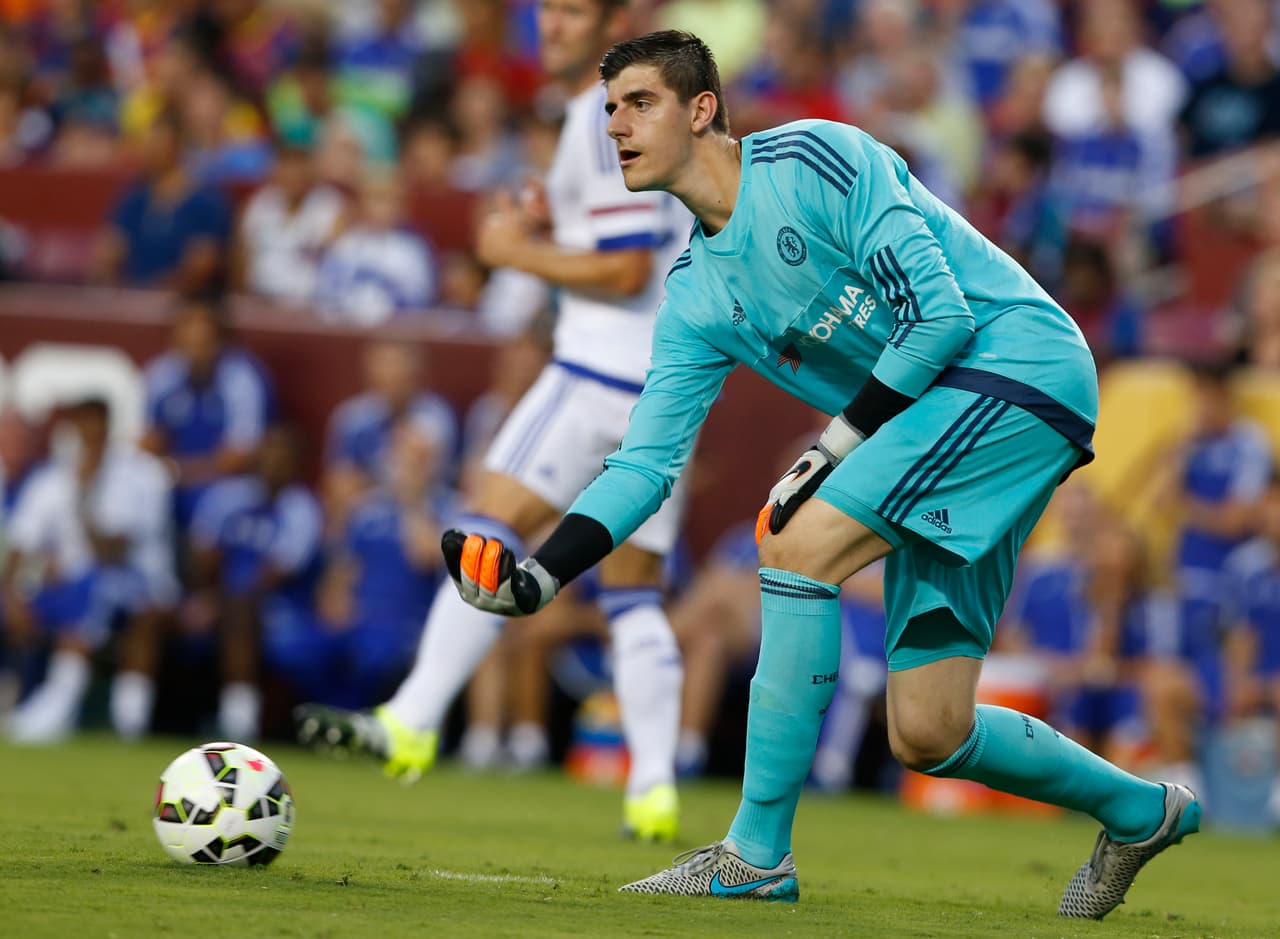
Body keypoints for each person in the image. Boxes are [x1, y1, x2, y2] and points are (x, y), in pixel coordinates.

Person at [439, 31, 1199, 918]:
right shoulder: (692, 293)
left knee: (793, 542)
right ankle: (1141, 810)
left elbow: (942, 318)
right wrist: (538, 578)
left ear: (701, 109)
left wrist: (832, 445)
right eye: (609, 109)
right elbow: (643, 465)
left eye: (638, 102)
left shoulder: (817, 156)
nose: (616, 125)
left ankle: (755, 852)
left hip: (1018, 367)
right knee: (929, 728)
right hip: (931, 420)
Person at [295, 0, 694, 843]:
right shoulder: (662, 109)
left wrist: (517, 253)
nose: (552, 26)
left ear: (616, 21)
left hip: (594, 371)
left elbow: (624, 271)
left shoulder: (603, 110)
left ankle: (412, 716)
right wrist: (560, 223)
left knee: (483, 524)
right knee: (633, 591)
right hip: (672, 387)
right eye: (547, 10)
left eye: (574, 11)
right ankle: (653, 789)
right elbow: (642, 244)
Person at [3, 397, 176, 742]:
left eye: (99, 425)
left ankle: (72, 706)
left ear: (109, 427)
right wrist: (12, 599)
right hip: (75, 587)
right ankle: (45, 700)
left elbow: (111, 551)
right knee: (79, 589)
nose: (92, 433)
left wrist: (84, 493)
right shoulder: (52, 478)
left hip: (140, 583)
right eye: (86, 425)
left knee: (96, 585)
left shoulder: (138, 476)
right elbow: (21, 547)